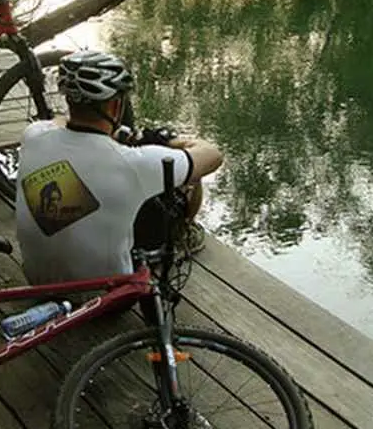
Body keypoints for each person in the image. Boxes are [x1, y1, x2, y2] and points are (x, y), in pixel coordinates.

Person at [15, 49, 223, 286]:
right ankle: (185, 232)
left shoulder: (33, 135)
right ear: (115, 107)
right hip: (109, 296)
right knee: (187, 180)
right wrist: (163, 140)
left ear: (68, 99)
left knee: (70, 191)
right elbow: (212, 155)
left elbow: (60, 122)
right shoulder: (134, 163)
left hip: (38, 283)